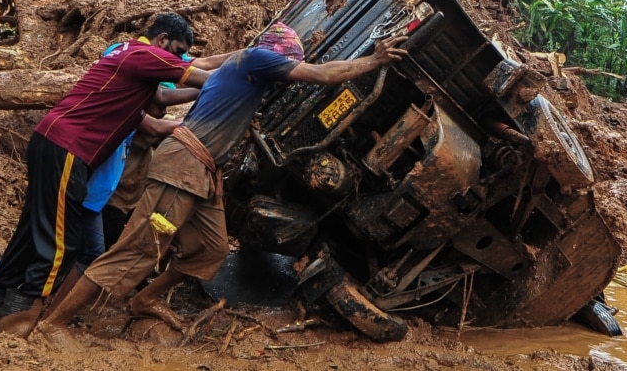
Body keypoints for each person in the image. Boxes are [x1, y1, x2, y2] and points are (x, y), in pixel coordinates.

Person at [37, 22, 408, 339]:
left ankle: (144, 299)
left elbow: (212, 71)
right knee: (137, 250)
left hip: (203, 172)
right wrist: (374, 60)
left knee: (211, 250)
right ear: (274, 55)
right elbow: (321, 74)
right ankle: (54, 324)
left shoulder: (244, 68)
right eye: (287, 62)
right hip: (183, 165)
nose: (288, 69)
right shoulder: (256, 59)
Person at [0, 12, 234, 354]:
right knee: (60, 243)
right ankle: (16, 333)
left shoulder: (131, 59)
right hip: (69, 147)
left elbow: (184, 79)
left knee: (31, 234)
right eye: (176, 52)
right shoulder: (144, 55)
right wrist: (251, 73)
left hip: (53, 140)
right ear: (162, 40)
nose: (177, 60)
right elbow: (208, 78)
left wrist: (242, 57)